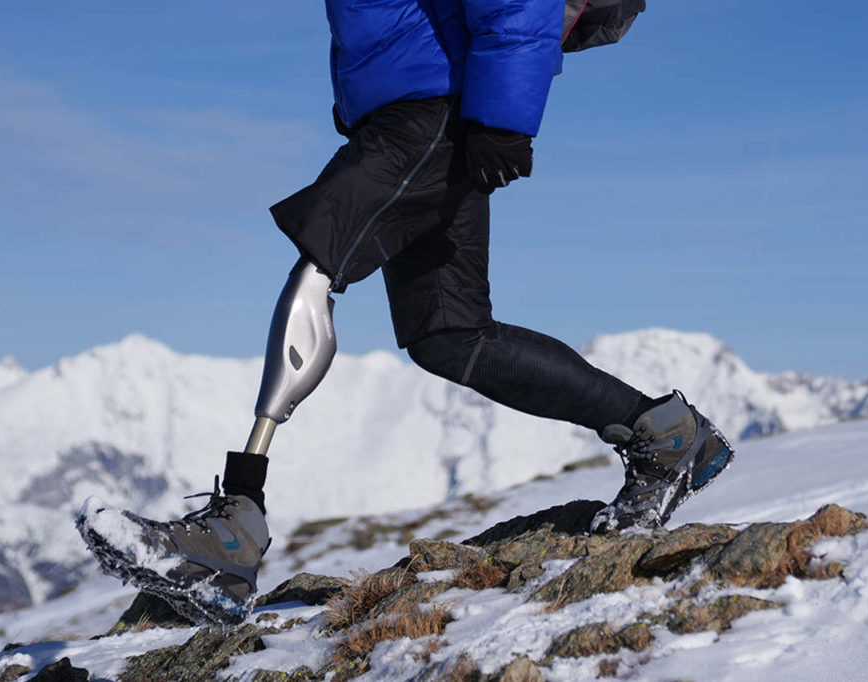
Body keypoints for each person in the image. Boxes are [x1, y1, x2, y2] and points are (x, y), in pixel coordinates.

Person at [77, 0, 734, 624]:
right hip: (422, 106)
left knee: (319, 259)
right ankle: (664, 434)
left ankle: (231, 537)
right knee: (448, 334)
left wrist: (504, 116)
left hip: (427, 108)